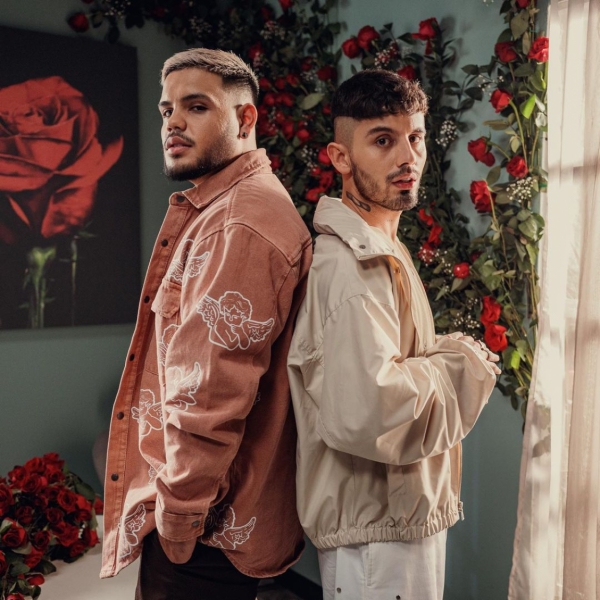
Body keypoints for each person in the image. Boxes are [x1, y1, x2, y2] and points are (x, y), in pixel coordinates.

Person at [100, 48, 312, 600]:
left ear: (245, 119)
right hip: (208, 523)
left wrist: (177, 523)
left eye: (196, 107)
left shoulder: (238, 224)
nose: (173, 122)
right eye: (166, 109)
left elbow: (210, 393)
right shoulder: (227, 210)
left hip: (202, 534)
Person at [287, 69, 501, 600]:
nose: (408, 157)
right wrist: (463, 363)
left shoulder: (380, 247)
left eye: (415, 137)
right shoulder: (351, 267)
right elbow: (372, 409)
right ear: (340, 157)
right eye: (383, 140)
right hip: (377, 537)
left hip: (393, 521)